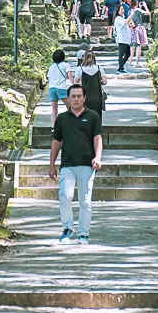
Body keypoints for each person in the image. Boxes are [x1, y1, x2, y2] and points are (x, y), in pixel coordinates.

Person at [49, 83, 102, 245]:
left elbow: (97, 138)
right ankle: (67, 228)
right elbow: (56, 141)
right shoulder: (62, 119)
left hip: (87, 164)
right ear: (69, 99)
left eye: (79, 96)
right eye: (73, 96)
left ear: (84, 98)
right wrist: (51, 164)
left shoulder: (93, 116)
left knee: (85, 201)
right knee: (65, 196)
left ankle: (83, 234)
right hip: (67, 164)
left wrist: (98, 157)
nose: (76, 99)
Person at [74, 49, 107, 117]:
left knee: (85, 116)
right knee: (97, 116)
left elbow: (76, 81)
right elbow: (105, 82)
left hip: (84, 97)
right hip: (97, 96)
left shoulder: (80, 69)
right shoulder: (99, 68)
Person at [47, 49, 70, 126]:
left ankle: (53, 126)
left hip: (52, 88)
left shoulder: (51, 67)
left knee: (54, 109)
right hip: (61, 88)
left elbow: (49, 78)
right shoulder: (66, 65)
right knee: (70, 106)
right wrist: (74, 84)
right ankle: (72, 121)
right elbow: (70, 76)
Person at [113, 4, 133, 73]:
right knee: (121, 54)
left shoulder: (122, 18)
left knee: (128, 53)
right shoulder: (118, 18)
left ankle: (121, 67)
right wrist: (132, 14)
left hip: (126, 39)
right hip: (121, 39)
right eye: (121, 9)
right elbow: (125, 22)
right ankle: (120, 68)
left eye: (123, 9)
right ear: (117, 11)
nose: (123, 11)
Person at [128, 0, 148, 67]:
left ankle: (130, 61)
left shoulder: (129, 11)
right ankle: (137, 62)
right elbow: (147, 13)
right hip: (138, 28)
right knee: (138, 46)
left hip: (132, 29)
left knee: (132, 46)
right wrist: (145, 6)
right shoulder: (138, 10)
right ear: (136, 3)